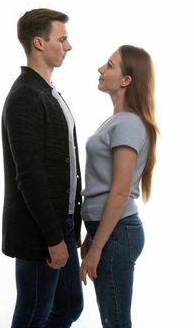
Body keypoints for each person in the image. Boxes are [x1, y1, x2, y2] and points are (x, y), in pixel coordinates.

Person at [1, 8, 83, 328]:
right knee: (33, 314)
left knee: (69, 307)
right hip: (39, 232)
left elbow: (65, 163)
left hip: (60, 226)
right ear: (39, 42)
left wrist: (71, 223)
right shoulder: (24, 96)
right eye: (62, 39)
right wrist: (52, 237)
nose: (68, 46)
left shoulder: (49, 92)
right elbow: (30, 176)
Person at [80, 45, 159, 328]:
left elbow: (120, 191)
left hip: (117, 235)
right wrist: (93, 235)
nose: (101, 69)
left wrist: (97, 246)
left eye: (109, 65)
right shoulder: (118, 121)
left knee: (115, 322)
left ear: (126, 80)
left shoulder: (127, 124)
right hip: (111, 231)